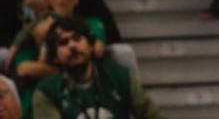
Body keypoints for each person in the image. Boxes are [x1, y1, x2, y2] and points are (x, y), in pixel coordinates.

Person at [32, 16, 161, 119]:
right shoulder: (47, 91)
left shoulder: (120, 77)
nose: (72, 46)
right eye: (63, 42)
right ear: (55, 57)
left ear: (90, 45)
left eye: (77, 38)